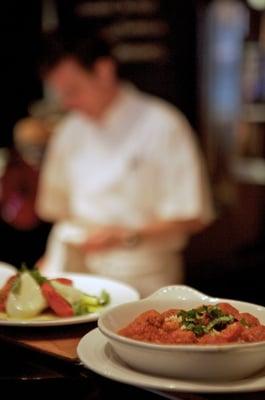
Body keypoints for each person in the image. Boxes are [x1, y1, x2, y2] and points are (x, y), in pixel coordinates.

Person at [36, 33, 214, 296]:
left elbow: (193, 215)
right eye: (60, 94)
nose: (67, 103)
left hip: (143, 278)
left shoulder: (163, 124)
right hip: (76, 273)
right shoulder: (68, 131)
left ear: (104, 70)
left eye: (73, 91)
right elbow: (57, 209)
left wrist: (124, 235)